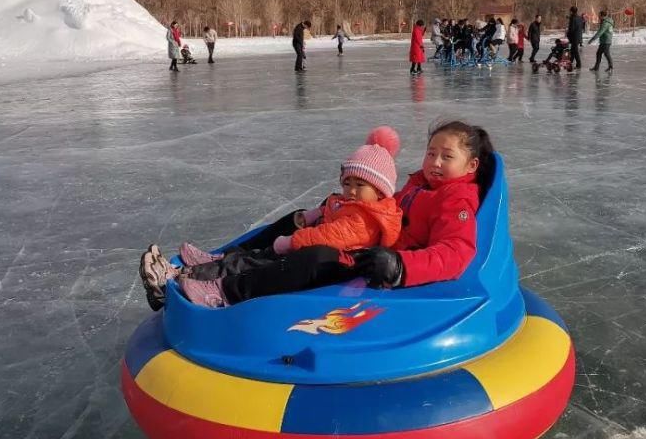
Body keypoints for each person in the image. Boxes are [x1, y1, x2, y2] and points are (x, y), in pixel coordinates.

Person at [141, 120, 495, 310]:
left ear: (471, 165)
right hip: (364, 243)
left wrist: (401, 267)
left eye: (446, 157)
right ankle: (223, 260)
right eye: (431, 152)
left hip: (376, 261)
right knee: (296, 219)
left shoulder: (456, 202)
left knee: (314, 257)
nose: (433, 162)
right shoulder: (418, 186)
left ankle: (225, 291)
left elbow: (455, 253)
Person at [160, 128, 404, 309]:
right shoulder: (356, 205)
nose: (350, 190)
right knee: (268, 249)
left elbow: (329, 236)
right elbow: (331, 211)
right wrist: (312, 216)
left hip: (334, 262)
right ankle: (216, 263)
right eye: (347, 182)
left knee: (267, 260)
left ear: (380, 191)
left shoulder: (366, 219)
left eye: (360, 185)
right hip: (319, 247)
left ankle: (210, 280)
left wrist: (291, 242)